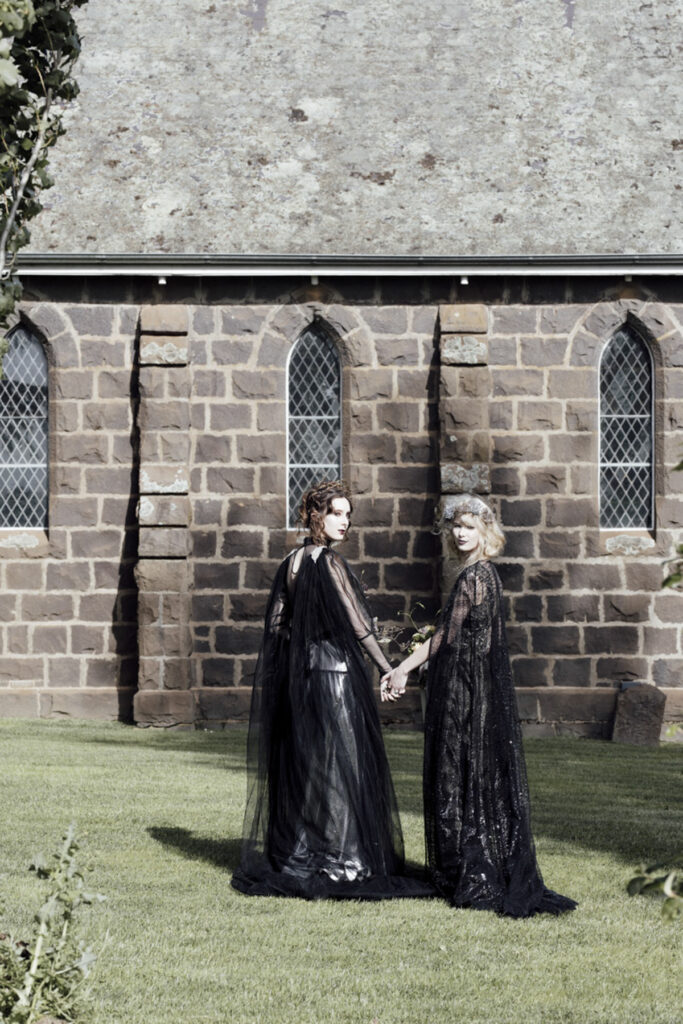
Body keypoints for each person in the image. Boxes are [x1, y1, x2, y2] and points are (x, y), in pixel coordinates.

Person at [232, 480, 432, 900]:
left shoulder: (290, 561)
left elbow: (274, 627)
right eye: (337, 513)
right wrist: (389, 669)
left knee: (310, 769)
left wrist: (300, 651)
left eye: (348, 514)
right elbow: (360, 626)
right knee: (344, 767)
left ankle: (301, 857)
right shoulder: (331, 563)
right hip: (337, 677)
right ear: (315, 515)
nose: (345, 522)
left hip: (301, 678)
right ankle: (345, 862)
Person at [381, 495, 577, 918]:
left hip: (466, 690)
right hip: (472, 687)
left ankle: (473, 868)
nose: (460, 532)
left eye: (469, 525)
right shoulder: (480, 574)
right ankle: (471, 860)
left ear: (485, 531)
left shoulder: (475, 578)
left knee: (460, 772)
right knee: (471, 773)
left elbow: (443, 638)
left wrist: (402, 669)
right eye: (456, 526)